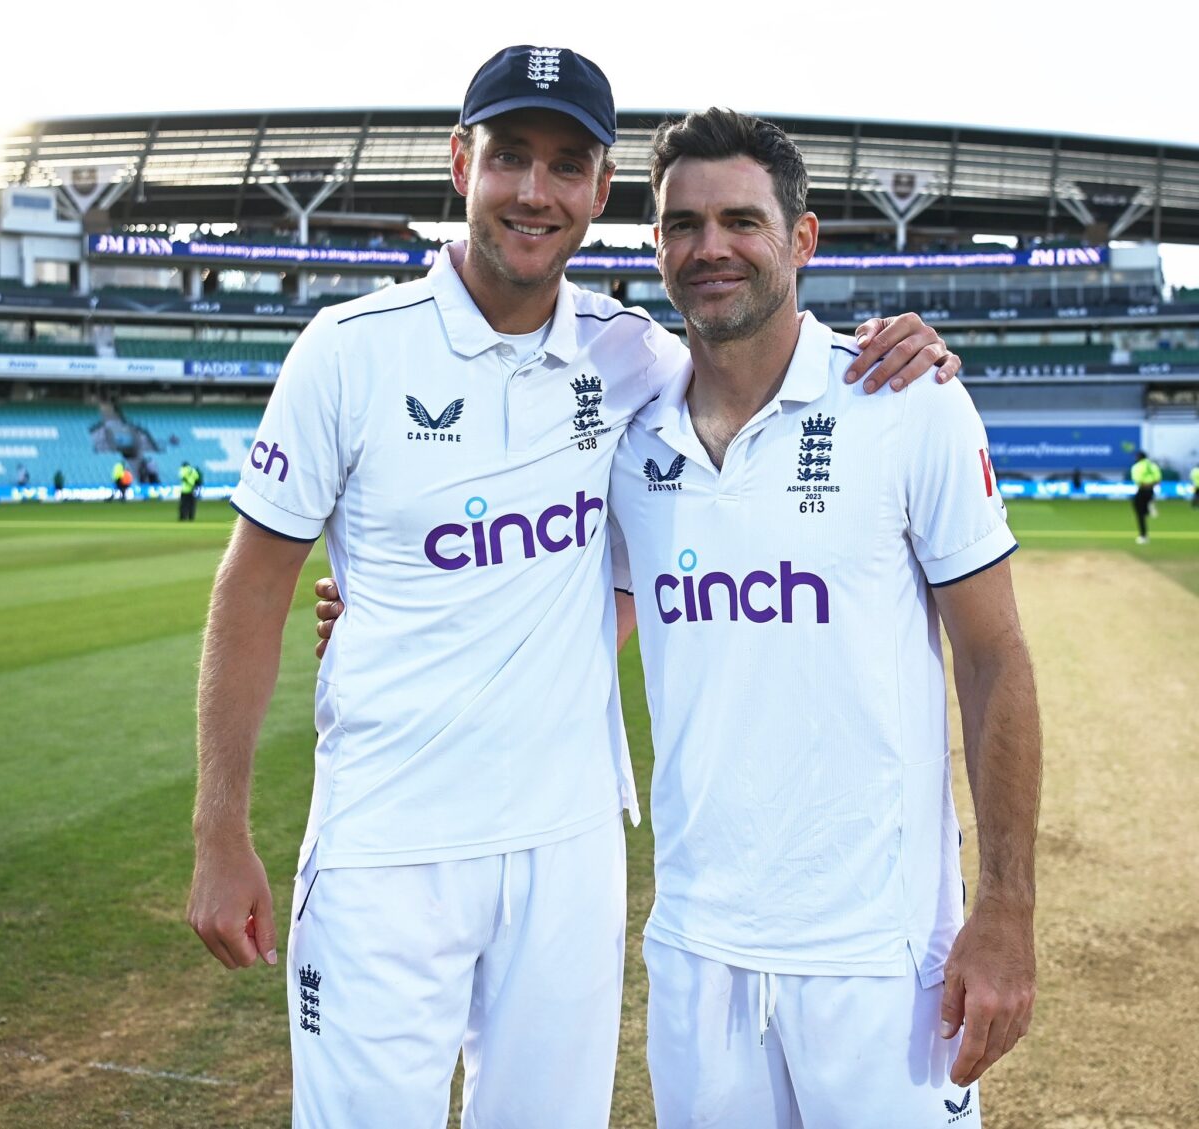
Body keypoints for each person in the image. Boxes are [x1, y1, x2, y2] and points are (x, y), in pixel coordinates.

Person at [189, 46, 962, 1129]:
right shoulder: (349, 351)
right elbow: (250, 588)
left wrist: (906, 345)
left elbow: (755, 381)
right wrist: (220, 832)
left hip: (570, 848)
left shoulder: (637, 357)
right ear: (462, 162)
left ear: (603, 194)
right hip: (384, 848)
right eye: (510, 157)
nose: (534, 191)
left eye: (567, 165)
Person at [605, 108, 1040, 1128]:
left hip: (878, 961)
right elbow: (563, 608)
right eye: (682, 224)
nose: (710, 247)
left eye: (741, 221)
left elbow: (993, 655)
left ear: (801, 240)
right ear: (656, 246)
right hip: (697, 949)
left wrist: (1009, 904)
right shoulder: (630, 436)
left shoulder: (905, 400)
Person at [1130, 448, 1162, 543]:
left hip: (1142, 490)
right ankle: (1149, 505)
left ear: (1139, 457)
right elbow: (1158, 479)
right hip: (1151, 491)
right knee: (1142, 508)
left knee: (1139, 513)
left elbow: (1138, 481)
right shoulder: (1153, 465)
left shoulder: (1137, 467)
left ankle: (1143, 536)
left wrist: (1145, 485)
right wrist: (1151, 485)